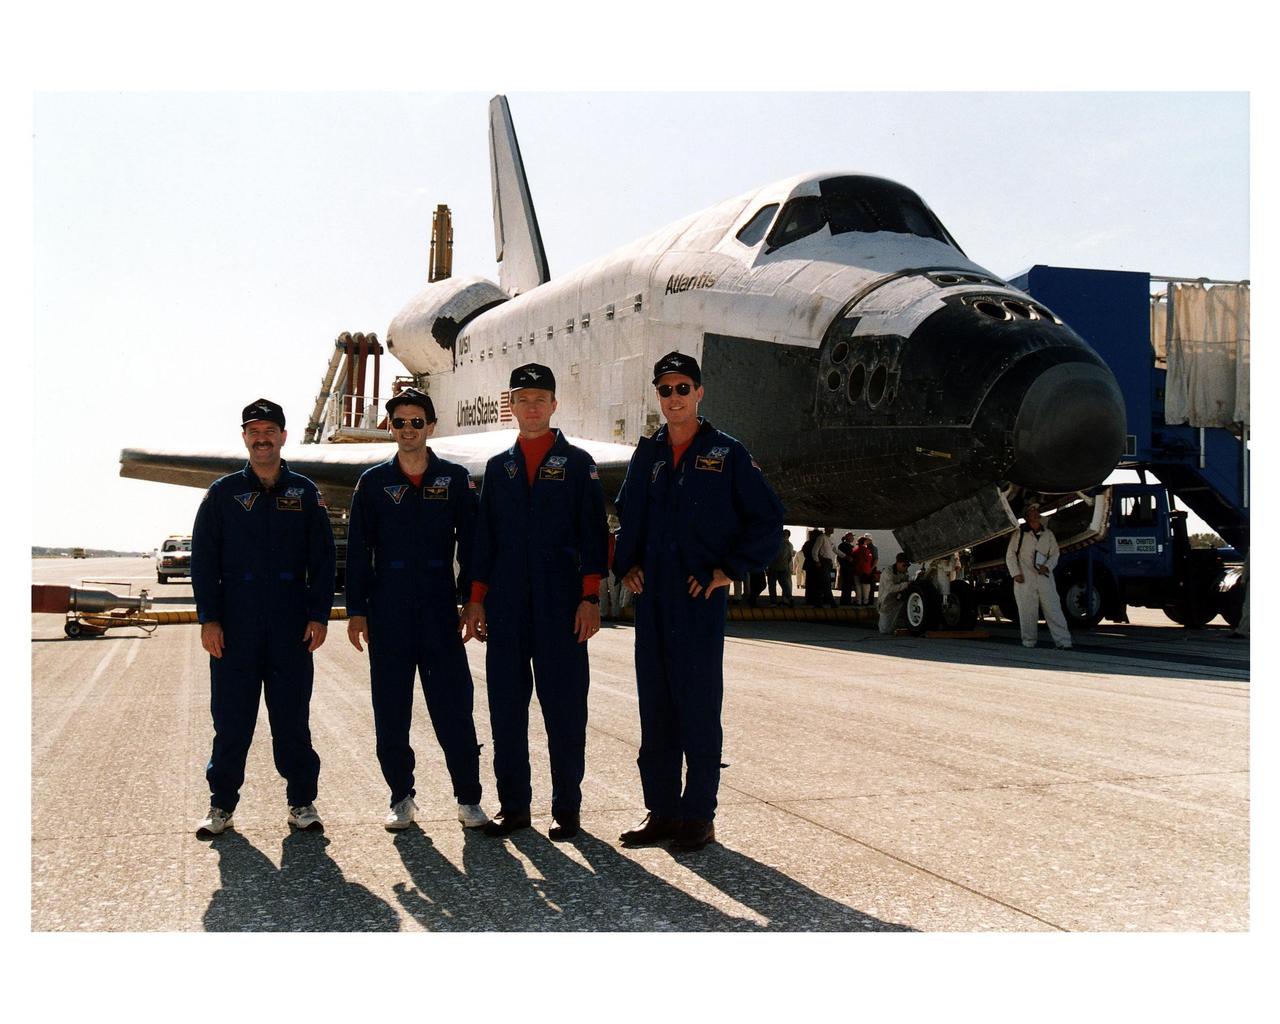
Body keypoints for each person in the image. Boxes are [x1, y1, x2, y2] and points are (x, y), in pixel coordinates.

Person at [614, 351, 784, 852]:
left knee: (698, 707)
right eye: (664, 390)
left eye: (682, 388)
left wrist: (728, 570)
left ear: (699, 392)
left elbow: (767, 519)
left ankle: (699, 815)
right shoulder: (649, 454)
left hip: (696, 600)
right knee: (657, 707)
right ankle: (662, 811)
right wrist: (628, 565)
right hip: (653, 599)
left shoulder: (727, 454)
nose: (673, 399)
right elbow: (628, 513)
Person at [461, 364, 608, 841]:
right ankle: (514, 808)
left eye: (540, 399)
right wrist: (476, 600)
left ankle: (567, 810)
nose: (531, 408)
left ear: (554, 404)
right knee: (506, 711)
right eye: (522, 399)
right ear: (512, 405)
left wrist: (590, 597)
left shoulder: (579, 465)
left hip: (561, 607)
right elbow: (484, 541)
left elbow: (593, 535)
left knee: (565, 713)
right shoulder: (499, 470)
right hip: (506, 607)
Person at [345, 387, 490, 832]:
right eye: (400, 422)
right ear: (390, 427)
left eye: (416, 421)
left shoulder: (454, 479)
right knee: (391, 710)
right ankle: (400, 797)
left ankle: (468, 798)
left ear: (431, 426)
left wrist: (474, 600)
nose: (408, 429)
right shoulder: (372, 483)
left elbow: (475, 543)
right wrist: (356, 611)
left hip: (437, 606)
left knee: (453, 706)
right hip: (387, 608)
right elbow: (356, 553)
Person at [191, 399, 335, 838]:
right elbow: (203, 560)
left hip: (290, 624)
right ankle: (221, 806)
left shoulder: (305, 493)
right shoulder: (223, 494)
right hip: (236, 625)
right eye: (254, 431)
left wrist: (318, 615)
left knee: (291, 717)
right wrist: (209, 619)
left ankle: (301, 802)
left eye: (269, 430)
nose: (262, 438)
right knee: (232, 719)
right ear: (244, 438)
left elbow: (324, 559)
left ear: (283, 437)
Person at [1005, 502, 1072, 649]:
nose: (1035, 513)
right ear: (1027, 516)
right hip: (1025, 578)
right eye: (1032, 511)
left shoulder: (1048, 534)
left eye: (1037, 510)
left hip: (1044, 577)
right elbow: (1010, 555)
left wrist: (1047, 567)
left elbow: (1054, 554)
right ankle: (1029, 642)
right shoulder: (1020, 534)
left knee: (1054, 610)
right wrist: (1015, 573)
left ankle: (1064, 642)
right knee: (1027, 612)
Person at [877, 552, 913, 634]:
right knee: (885, 630)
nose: (906, 568)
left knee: (893, 627)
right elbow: (890, 588)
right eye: (904, 565)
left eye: (908, 566)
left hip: (897, 602)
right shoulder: (888, 572)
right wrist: (905, 584)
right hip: (886, 603)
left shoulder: (904, 573)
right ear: (898, 563)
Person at [766, 529, 795, 606]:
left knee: (772, 585)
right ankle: (790, 598)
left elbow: (769, 555)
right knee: (785, 584)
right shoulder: (789, 545)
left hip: (773, 567)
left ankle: (773, 602)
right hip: (783, 567)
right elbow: (790, 558)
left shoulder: (774, 543)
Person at [811, 527, 837, 607]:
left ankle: (818, 603)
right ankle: (832, 602)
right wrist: (817, 561)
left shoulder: (831, 538)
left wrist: (845, 556)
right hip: (824, 562)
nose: (832, 529)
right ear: (826, 529)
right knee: (826, 582)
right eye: (831, 527)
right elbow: (815, 550)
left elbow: (834, 550)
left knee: (822, 583)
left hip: (829, 563)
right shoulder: (821, 537)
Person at [853, 535, 877, 607]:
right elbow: (869, 559)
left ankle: (858, 601)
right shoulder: (867, 550)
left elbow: (854, 560)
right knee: (866, 586)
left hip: (857, 570)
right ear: (864, 542)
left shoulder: (855, 550)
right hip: (866, 571)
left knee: (857, 586)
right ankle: (865, 601)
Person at [836, 532, 857, 605]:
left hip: (848, 567)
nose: (853, 538)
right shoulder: (844, 546)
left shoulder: (847, 546)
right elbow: (840, 556)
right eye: (852, 537)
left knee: (848, 585)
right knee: (847, 585)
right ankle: (846, 601)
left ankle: (846, 600)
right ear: (848, 537)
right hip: (847, 567)